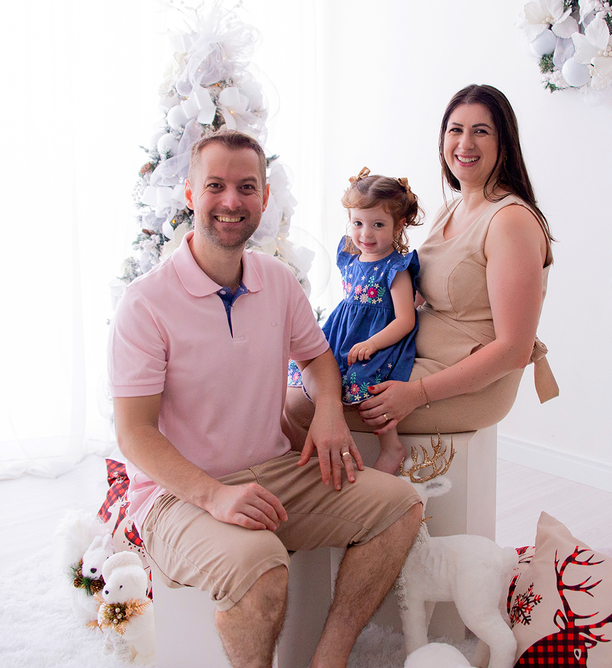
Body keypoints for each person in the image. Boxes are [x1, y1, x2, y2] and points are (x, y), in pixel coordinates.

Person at [109, 131, 422, 668]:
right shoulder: (145, 304)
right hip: (178, 495)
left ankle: (330, 658)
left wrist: (327, 412)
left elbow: (320, 359)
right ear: (189, 193)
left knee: (401, 506)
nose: (232, 201)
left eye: (246, 187)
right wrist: (213, 496)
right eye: (216, 186)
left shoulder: (277, 281)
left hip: (271, 469)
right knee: (262, 567)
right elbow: (133, 432)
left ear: (264, 198)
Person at [347, 84, 559, 435]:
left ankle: (378, 492)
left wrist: (416, 393)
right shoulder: (450, 209)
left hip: (463, 384)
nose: (465, 143)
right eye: (455, 130)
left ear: (503, 144)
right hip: (413, 358)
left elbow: (515, 350)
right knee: (307, 381)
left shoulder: (510, 221)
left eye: (481, 131)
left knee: (306, 406)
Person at [286, 168, 424, 475]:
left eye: (378, 224)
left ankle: (391, 447)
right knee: (313, 370)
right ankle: (307, 440)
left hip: (378, 338)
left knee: (363, 382)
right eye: (358, 223)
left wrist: (372, 343)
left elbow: (405, 319)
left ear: (399, 225)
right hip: (344, 332)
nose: (366, 234)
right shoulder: (350, 256)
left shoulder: (396, 268)